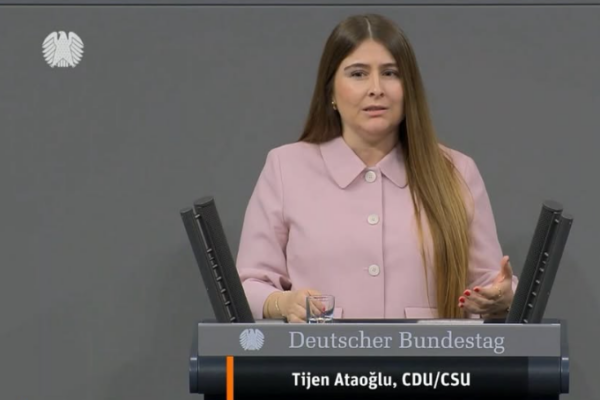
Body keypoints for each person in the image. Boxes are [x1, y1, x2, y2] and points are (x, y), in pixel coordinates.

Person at [236, 13, 518, 323]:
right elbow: (248, 285)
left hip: (429, 355)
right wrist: (283, 302)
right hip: (321, 355)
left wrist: (504, 297)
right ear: (330, 92)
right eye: (358, 74)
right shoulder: (285, 167)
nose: (376, 88)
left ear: (408, 88)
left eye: (390, 73)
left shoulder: (457, 171)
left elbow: (489, 283)